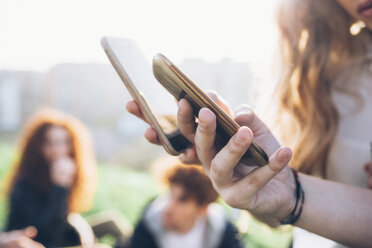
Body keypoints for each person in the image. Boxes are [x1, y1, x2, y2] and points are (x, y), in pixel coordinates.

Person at [5, 108, 97, 247]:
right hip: (33, 242)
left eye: (64, 142)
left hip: (56, 238)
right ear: (38, 146)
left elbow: (63, 217)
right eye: (49, 143)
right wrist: (59, 187)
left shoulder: (65, 174)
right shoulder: (25, 182)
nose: (57, 149)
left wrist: (78, 223)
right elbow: (46, 232)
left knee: (112, 223)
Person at [129, 163, 243, 248]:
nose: (168, 207)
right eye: (170, 194)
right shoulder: (148, 222)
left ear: (203, 209)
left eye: (182, 200)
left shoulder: (221, 229)